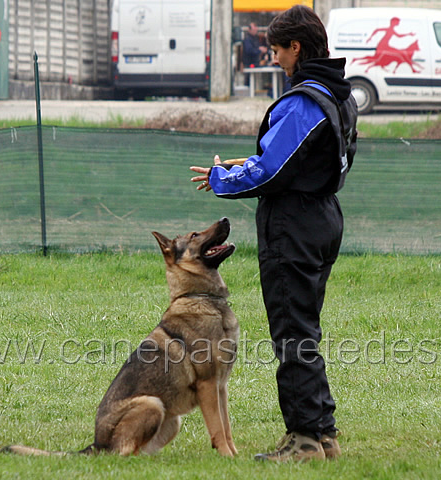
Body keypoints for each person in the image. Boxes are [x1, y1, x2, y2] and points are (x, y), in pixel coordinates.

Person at [190, 5, 358, 462]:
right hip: (323, 217)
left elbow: (271, 171)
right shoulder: (340, 95)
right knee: (306, 331)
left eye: (278, 50)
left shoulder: (304, 101)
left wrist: (224, 179)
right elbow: (293, 162)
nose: (275, 59)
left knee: (293, 334)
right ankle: (324, 435)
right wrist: (234, 169)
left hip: (294, 227)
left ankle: (303, 441)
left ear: (297, 47)